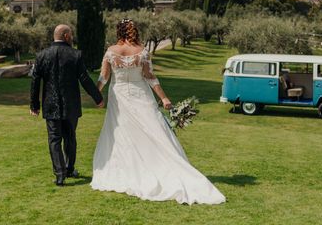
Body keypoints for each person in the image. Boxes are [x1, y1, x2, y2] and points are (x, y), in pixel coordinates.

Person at [91, 19, 225, 205]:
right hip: (140, 94)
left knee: (121, 131)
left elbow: (104, 77)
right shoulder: (142, 52)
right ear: (134, 32)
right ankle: (155, 165)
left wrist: (96, 93)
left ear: (119, 32)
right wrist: (164, 98)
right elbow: (150, 77)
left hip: (118, 95)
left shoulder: (111, 52)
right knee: (152, 129)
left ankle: (130, 169)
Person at [30, 24, 104, 186]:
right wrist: (98, 98)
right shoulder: (75, 55)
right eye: (71, 34)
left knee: (54, 139)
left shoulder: (42, 55)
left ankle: (60, 174)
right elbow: (84, 78)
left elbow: (35, 81)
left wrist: (34, 105)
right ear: (65, 36)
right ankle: (69, 169)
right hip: (71, 105)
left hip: (50, 105)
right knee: (70, 137)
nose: (72, 37)